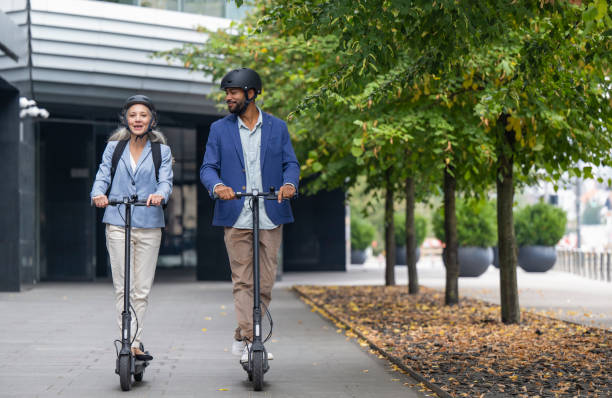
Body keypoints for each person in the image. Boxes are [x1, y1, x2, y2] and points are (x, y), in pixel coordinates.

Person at [200, 68, 300, 362]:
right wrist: (218, 186)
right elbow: (208, 167)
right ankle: (251, 340)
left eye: (233, 93)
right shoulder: (219, 129)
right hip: (236, 214)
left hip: (270, 213)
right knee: (243, 281)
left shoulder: (277, 127)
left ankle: (243, 333)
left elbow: (290, 163)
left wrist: (289, 184)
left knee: (265, 283)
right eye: (227, 93)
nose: (228, 98)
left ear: (251, 93)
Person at [90, 95, 173, 361]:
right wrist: (98, 194)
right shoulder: (114, 148)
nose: (138, 119)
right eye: (133, 115)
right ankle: (129, 341)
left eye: (143, 115)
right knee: (122, 287)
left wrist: (160, 195)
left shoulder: (162, 151)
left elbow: (166, 182)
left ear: (152, 120)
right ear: (126, 119)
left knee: (141, 289)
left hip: (149, 224)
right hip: (117, 222)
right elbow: (102, 176)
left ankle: (134, 342)